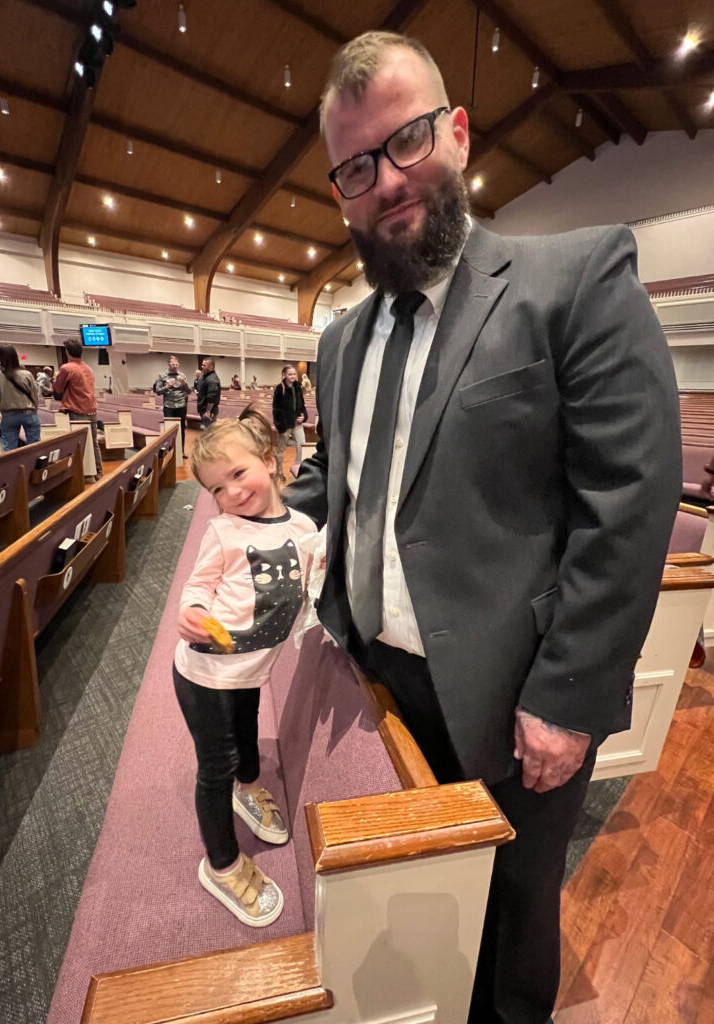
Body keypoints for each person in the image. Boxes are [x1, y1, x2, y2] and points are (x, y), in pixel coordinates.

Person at [284, 31, 681, 1024]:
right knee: (420, 905)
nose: (387, 178)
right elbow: (343, 475)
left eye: (408, 139)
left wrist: (567, 693)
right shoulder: (338, 342)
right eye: (356, 165)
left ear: (457, 134)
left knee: (510, 922)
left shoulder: (572, 278)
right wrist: (273, 519)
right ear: (341, 190)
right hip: (380, 673)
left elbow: (628, 496)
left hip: (517, 694)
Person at [172, 406, 316, 927]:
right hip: (204, 675)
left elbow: (314, 580)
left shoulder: (302, 528)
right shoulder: (224, 533)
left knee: (249, 736)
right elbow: (197, 587)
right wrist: (193, 613)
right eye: (216, 488)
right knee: (216, 765)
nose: (231, 493)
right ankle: (222, 864)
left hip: (250, 671)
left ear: (270, 458)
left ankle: (248, 788)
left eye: (238, 473)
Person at [53, 338, 103, 481]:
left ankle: (85, 474)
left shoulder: (67, 368)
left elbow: (57, 388)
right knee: (93, 443)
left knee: (79, 444)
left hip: (77, 409)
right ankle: (98, 472)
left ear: (68, 352)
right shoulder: (88, 368)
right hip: (91, 409)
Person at [0, 345, 41, 451]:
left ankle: (11, 467)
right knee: (35, 446)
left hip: (8, 414)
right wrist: (35, 407)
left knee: (9, 447)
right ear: (15, 357)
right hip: (28, 412)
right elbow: (35, 394)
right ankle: (35, 466)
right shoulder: (26, 374)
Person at [272, 364, 307, 481]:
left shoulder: (298, 386)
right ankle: (279, 472)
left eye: (294, 374)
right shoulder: (279, 388)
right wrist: (280, 426)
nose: (292, 376)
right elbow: (276, 409)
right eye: (290, 374)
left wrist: (304, 416)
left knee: (302, 445)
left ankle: (298, 469)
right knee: (281, 449)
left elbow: (302, 404)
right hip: (285, 424)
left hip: (297, 423)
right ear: (284, 375)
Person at [154, 355, 192, 449]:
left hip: (181, 405)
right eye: (172, 364)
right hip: (169, 406)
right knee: (169, 430)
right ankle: (169, 451)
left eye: (176, 364)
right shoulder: (162, 375)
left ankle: (181, 451)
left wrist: (185, 384)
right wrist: (167, 386)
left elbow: (189, 391)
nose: (174, 366)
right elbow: (158, 391)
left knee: (181, 429)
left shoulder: (182, 375)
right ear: (168, 364)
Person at [196, 357, 221, 430]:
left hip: (209, 412)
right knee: (206, 431)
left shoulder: (212, 379)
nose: (202, 367)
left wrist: (208, 411)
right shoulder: (206, 376)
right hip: (204, 409)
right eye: (202, 365)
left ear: (211, 367)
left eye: (204, 365)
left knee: (208, 433)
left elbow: (211, 398)